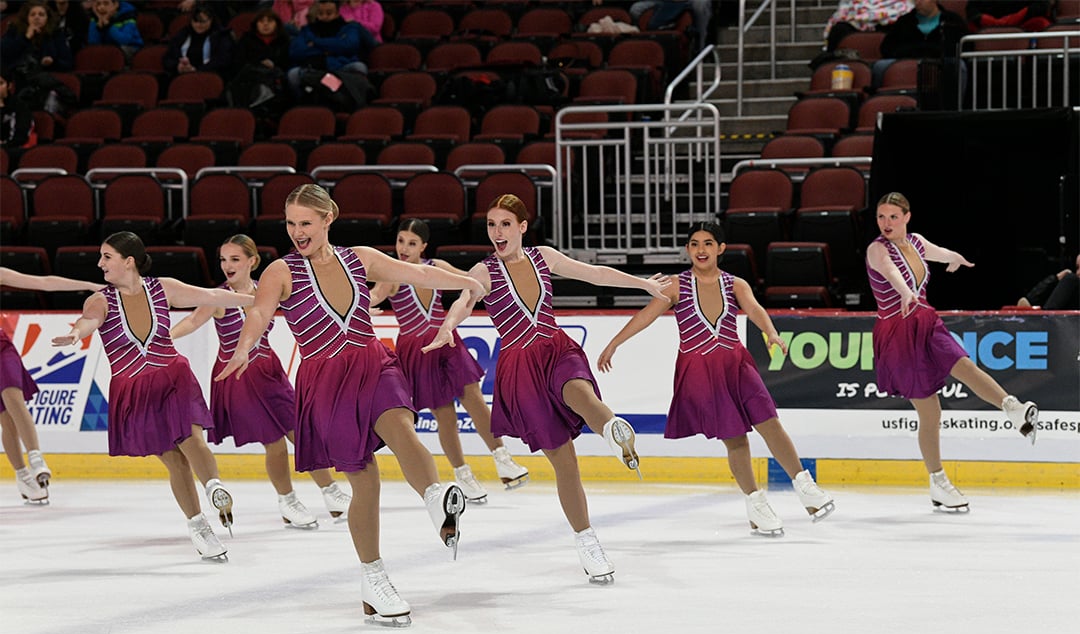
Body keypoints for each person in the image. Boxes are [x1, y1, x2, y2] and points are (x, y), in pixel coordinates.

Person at [214, 184, 485, 627]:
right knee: (366, 481)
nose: (297, 232)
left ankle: (437, 498)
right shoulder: (280, 271)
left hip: (372, 360)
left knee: (401, 426)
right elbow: (260, 313)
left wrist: (465, 281)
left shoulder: (359, 258)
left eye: (306, 223)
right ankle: (373, 578)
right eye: (290, 223)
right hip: (326, 380)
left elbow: (417, 275)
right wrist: (244, 346)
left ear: (327, 219)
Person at [421, 194, 670, 584]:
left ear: (522, 227)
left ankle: (611, 429)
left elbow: (595, 273)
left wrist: (641, 283)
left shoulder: (544, 257)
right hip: (521, 367)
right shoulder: (484, 271)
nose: (497, 232)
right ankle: (587, 539)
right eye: (491, 224)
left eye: (505, 224)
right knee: (565, 463)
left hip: (555, 346)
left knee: (581, 392)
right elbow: (465, 301)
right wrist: (448, 325)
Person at [596, 222, 836, 537]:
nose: (701, 249)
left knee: (770, 422)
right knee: (735, 438)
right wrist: (615, 342)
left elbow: (754, 308)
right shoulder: (676, 285)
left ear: (720, 249)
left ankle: (805, 487)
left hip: (737, 366)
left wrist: (771, 333)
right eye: (694, 244)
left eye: (708, 243)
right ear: (688, 249)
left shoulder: (735, 284)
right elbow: (645, 315)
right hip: (701, 371)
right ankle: (755, 503)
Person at [51, 232, 254, 561]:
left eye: (107, 256)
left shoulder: (163, 288)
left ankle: (213, 486)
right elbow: (89, 321)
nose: (100, 263)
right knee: (175, 460)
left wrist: (259, 300)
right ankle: (199, 521)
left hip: (174, 377)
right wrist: (76, 332)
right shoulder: (100, 300)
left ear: (128, 261)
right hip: (135, 390)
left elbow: (211, 295)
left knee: (190, 440)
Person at [867, 192, 1040, 512]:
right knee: (930, 412)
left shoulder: (916, 242)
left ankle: (1012, 407)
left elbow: (939, 251)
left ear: (907, 217)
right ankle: (938, 482)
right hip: (897, 332)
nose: (886, 223)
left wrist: (955, 258)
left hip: (926, 320)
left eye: (892, 216)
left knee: (965, 365)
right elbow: (891, 272)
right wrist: (905, 292)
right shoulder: (877, 248)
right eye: (881, 217)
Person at [170, 234, 353, 529]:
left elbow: (311, 304)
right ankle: (288, 501)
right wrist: (163, 339)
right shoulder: (219, 297)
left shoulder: (266, 290)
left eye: (235, 259)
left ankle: (330, 492)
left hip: (270, 372)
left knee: (303, 433)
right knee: (275, 443)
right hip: (239, 377)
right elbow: (192, 321)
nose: (227, 266)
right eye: (223, 259)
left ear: (252, 262)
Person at [367, 219, 531, 505]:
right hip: (420, 351)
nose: (404, 248)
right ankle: (463, 475)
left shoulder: (437, 267)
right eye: (401, 241)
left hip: (448, 341)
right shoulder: (392, 274)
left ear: (424, 247)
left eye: (412, 243)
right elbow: (375, 295)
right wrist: (357, 303)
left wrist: (495, 281)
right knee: (446, 416)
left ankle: (502, 458)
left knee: (476, 400)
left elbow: (470, 280)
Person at [0, 267, 103, 504]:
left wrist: (86, 284)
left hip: (1, 347)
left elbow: (43, 281)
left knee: (13, 397)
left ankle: (36, 457)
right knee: (5, 418)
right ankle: (23, 476)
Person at [286, 0, 376, 105]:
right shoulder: (307, 30)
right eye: (320, 13)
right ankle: (302, 106)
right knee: (293, 74)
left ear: (337, 13)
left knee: (359, 67)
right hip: (314, 68)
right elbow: (296, 51)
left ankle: (354, 102)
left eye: (329, 13)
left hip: (342, 67)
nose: (324, 17)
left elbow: (348, 45)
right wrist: (331, 48)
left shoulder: (350, 27)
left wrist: (315, 42)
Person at [0, 0, 75, 85]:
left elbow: (68, 63)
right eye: (32, 14)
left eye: (41, 15)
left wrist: (53, 62)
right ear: (26, 18)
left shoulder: (56, 34)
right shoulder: (14, 31)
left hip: (46, 81)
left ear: (47, 18)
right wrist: (25, 38)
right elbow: (4, 54)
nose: (37, 17)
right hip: (17, 79)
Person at [161, 2, 234, 77]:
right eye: (195, 21)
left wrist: (197, 70)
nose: (198, 25)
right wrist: (178, 66)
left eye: (202, 21)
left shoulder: (222, 36)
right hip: (182, 76)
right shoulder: (184, 34)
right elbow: (168, 58)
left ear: (211, 20)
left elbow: (223, 61)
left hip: (209, 76)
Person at [965, 1, 1053, 32]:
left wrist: (1010, 21)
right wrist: (995, 22)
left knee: (1041, 23)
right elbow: (972, 11)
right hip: (988, 27)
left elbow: (1042, 6)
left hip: (1024, 26)